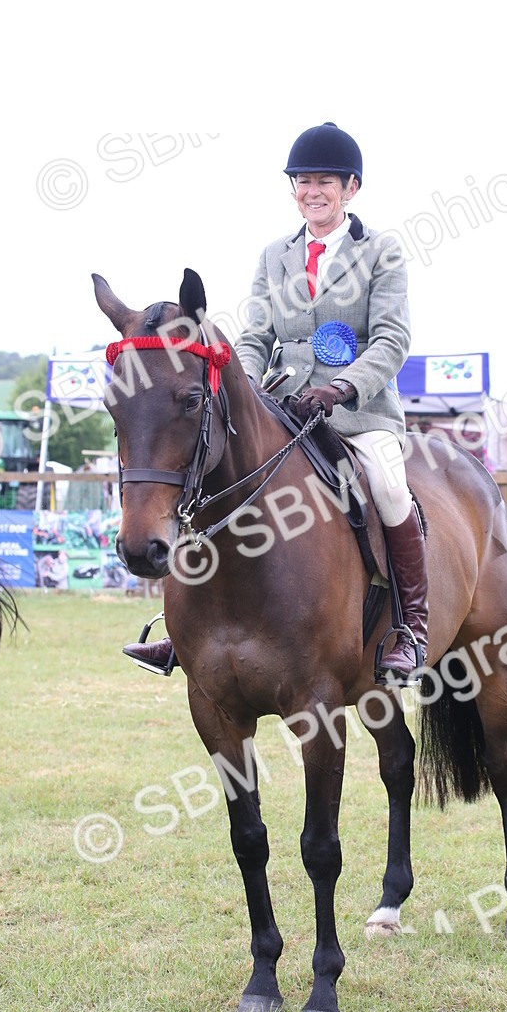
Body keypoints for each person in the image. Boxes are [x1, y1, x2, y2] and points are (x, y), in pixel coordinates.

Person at [123, 122, 428, 683]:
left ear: (351, 188)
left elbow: (392, 339)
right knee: (215, 480)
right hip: (282, 405)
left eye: (324, 183)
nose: (312, 191)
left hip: (359, 411)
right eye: (302, 182)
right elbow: (258, 336)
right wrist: (236, 382)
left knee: (387, 485)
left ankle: (411, 627)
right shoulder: (275, 255)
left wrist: (341, 388)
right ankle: (186, 630)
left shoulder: (381, 251)